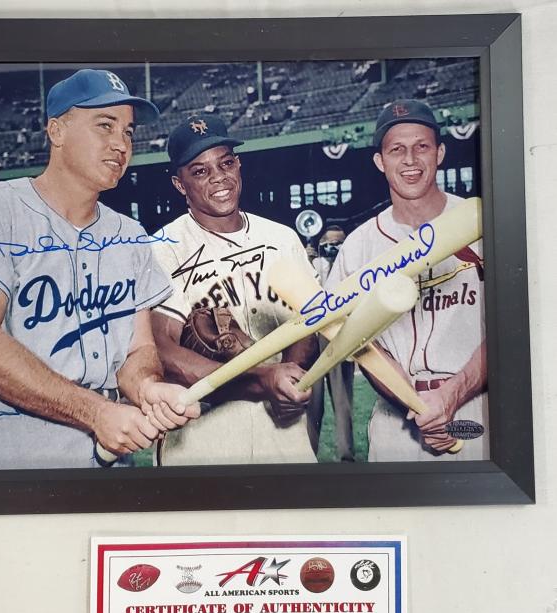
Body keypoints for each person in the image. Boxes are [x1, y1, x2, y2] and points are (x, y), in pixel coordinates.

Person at [0, 69, 199, 470]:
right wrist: (95, 412)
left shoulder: (129, 234)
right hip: (13, 448)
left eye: (128, 132)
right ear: (56, 131)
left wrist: (147, 388)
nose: (120, 144)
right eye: (105, 126)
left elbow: (139, 348)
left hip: (110, 448)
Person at [150, 115, 317, 465]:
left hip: (284, 427)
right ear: (179, 184)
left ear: (239, 165)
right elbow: (161, 350)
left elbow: (307, 322)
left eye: (226, 163)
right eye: (200, 171)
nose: (219, 178)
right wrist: (262, 380)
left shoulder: (281, 238)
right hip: (204, 435)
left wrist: (290, 379)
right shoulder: (163, 247)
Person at [325, 99, 487, 461]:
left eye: (422, 147)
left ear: (440, 153)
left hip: (477, 407)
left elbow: (511, 328)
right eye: (397, 150)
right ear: (380, 162)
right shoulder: (360, 244)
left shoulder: (480, 222)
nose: (410, 160)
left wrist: (450, 397)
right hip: (396, 417)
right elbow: (350, 335)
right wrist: (415, 402)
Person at [305, 225, 355, 461]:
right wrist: (305, 261)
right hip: (312, 339)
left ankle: (346, 455)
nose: (334, 248)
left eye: (339, 244)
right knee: (312, 404)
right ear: (321, 244)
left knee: (342, 400)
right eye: (329, 243)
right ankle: (309, 454)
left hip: (339, 337)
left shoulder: (352, 269)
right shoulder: (312, 265)